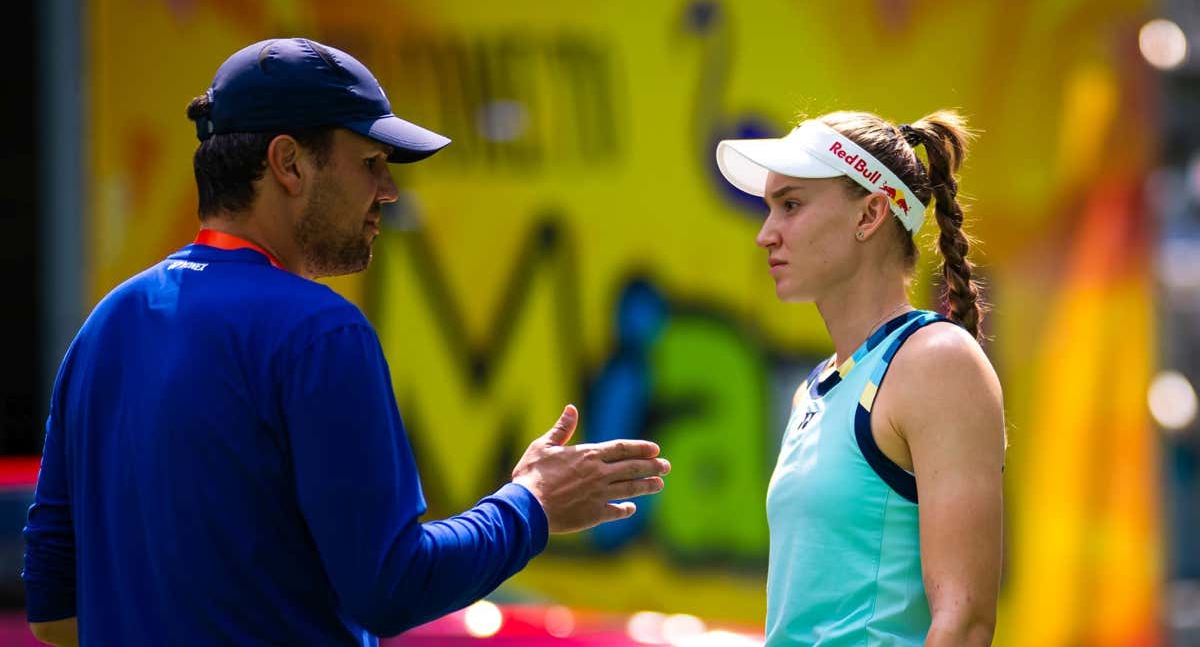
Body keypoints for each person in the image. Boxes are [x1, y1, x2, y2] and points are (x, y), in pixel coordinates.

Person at [22, 38, 670, 647]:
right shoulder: (319, 332)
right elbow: (390, 586)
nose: (387, 191)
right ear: (288, 164)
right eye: (371, 163)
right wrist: (529, 504)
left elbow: (53, 611)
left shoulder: (105, 326)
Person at [716, 110, 1005, 646]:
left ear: (870, 215)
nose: (765, 235)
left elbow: (964, 625)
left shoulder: (938, 361)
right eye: (769, 209)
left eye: (791, 206)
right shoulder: (818, 385)